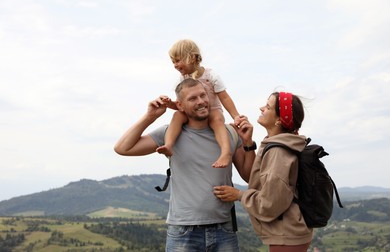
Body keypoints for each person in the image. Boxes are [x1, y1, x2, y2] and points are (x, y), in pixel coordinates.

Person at [114, 78, 256, 251]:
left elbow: (250, 177)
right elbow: (123, 148)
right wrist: (149, 116)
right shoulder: (170, 134)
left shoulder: (230, 133)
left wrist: (248, 143)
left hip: (224, 229)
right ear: (180, 106)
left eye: (203, 95)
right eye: (193, 98)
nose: (201, 101)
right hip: (183, 231)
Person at [213, 92, 313, 252]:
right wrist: (248, 143)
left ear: (280, 120)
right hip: (290, 232)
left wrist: (239, 195)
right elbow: (256, 179)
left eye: (267, 107)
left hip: (287, 235)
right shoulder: (279, 145)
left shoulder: (278, 152)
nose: (261, 108)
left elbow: (270, 203)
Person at [156, 39, 241, 168]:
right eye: (173, 62)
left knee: (217, 119)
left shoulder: (211, 75)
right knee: (177, 116)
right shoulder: (182, 80)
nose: (175, 65)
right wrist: (169, 104)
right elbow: (181, 106)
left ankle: (226, 152)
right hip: (193, 114)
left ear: (191, 57)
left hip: (212, 110)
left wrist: (236, 116)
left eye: (178, 60)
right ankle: (168, 144)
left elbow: (225, 98)